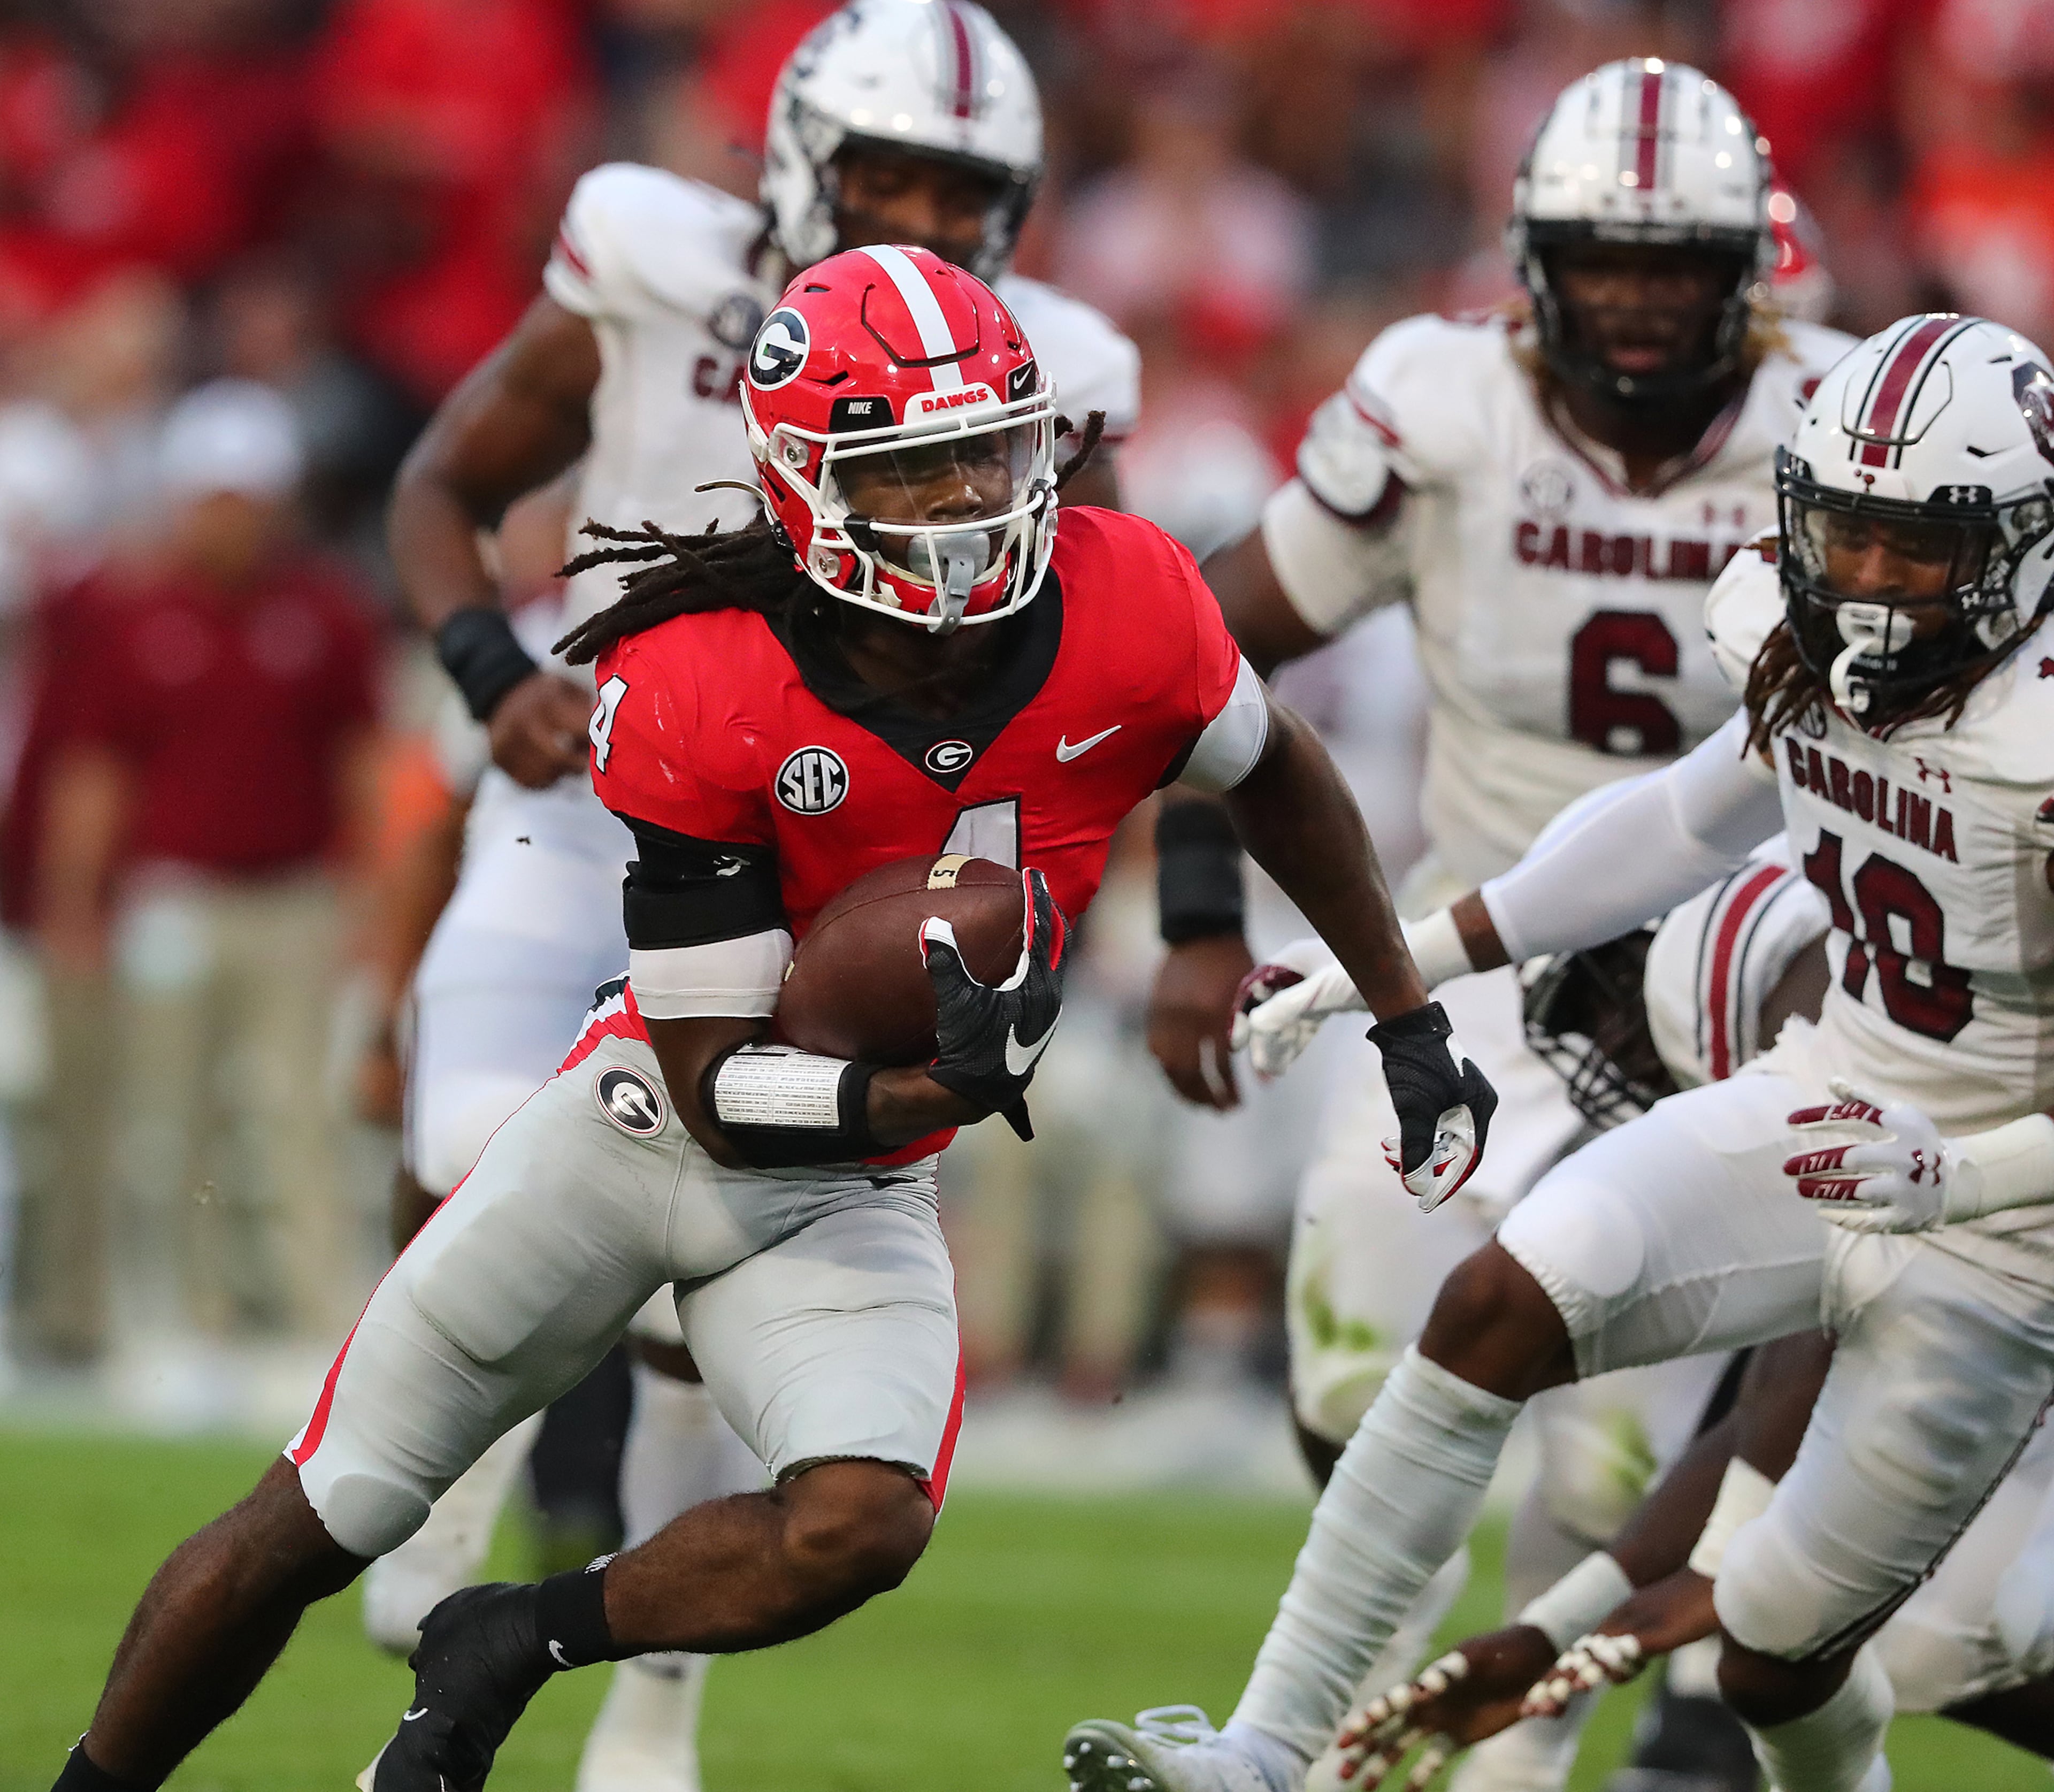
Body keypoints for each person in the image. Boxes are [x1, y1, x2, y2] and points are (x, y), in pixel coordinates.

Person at [43, 246, 1488, 1792]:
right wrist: (924, 1082)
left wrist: (1402, 1012)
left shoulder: (1132, 594)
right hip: (648, 1126)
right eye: (915, 471)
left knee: (862, 1523)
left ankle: (513, 1637)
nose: (968, 501)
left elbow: (1275, 773)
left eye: (991, 450)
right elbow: (717, 1081)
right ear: (809, 482)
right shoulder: (700, 673)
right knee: (323, 1508)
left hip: (852, 1189)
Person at [1067, 310, 2054, 1792]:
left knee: (1783, 1651)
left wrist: (1959, 1175)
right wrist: (1397, 960)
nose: (1863, 583)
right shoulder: (1802, 643)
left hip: (2012, 1217)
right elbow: (1666, 827)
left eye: (1913, 549)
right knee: (1504, 1294)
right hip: (1842, 1093)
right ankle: (1268, 1751)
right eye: (1840, 534)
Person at [373, 4, 1140, 1778]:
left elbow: (1088, 624)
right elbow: (445, 482)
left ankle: (652, 1700)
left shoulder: (1054, 355)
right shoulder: (652, 251)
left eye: (963, 193)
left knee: (696, 1280)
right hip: (596, 794)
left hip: (816, 854)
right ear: (802, 156)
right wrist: (496, 670)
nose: (924, 223)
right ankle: (434, 1475)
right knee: (466, 1132)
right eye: (888, 176)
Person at [1148, 58, 1852, 1791]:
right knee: (1349, 1376)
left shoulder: (1840, 427)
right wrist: (1190, 914)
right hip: (1464, 971)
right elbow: (1195, 650)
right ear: (1530, 255)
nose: (1631, 299)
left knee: (1599, 1467)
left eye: (1674, 264)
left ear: (1745, 269)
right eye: (1600, 259)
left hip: (1725, 983)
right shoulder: (1443, 403)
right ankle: (1372, 1708)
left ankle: (1522, 1757)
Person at [34, 380, 385, 1351]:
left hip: (294, 899)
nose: (228, 517)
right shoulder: (138, 617)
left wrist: (369, 896)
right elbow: (95, 773)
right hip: (174, 897)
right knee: (165, 1122)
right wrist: (75, 899)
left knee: (296, 1119)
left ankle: (323, 1324)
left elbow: (362, 764)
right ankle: (180, 1322)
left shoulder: (324, 611)